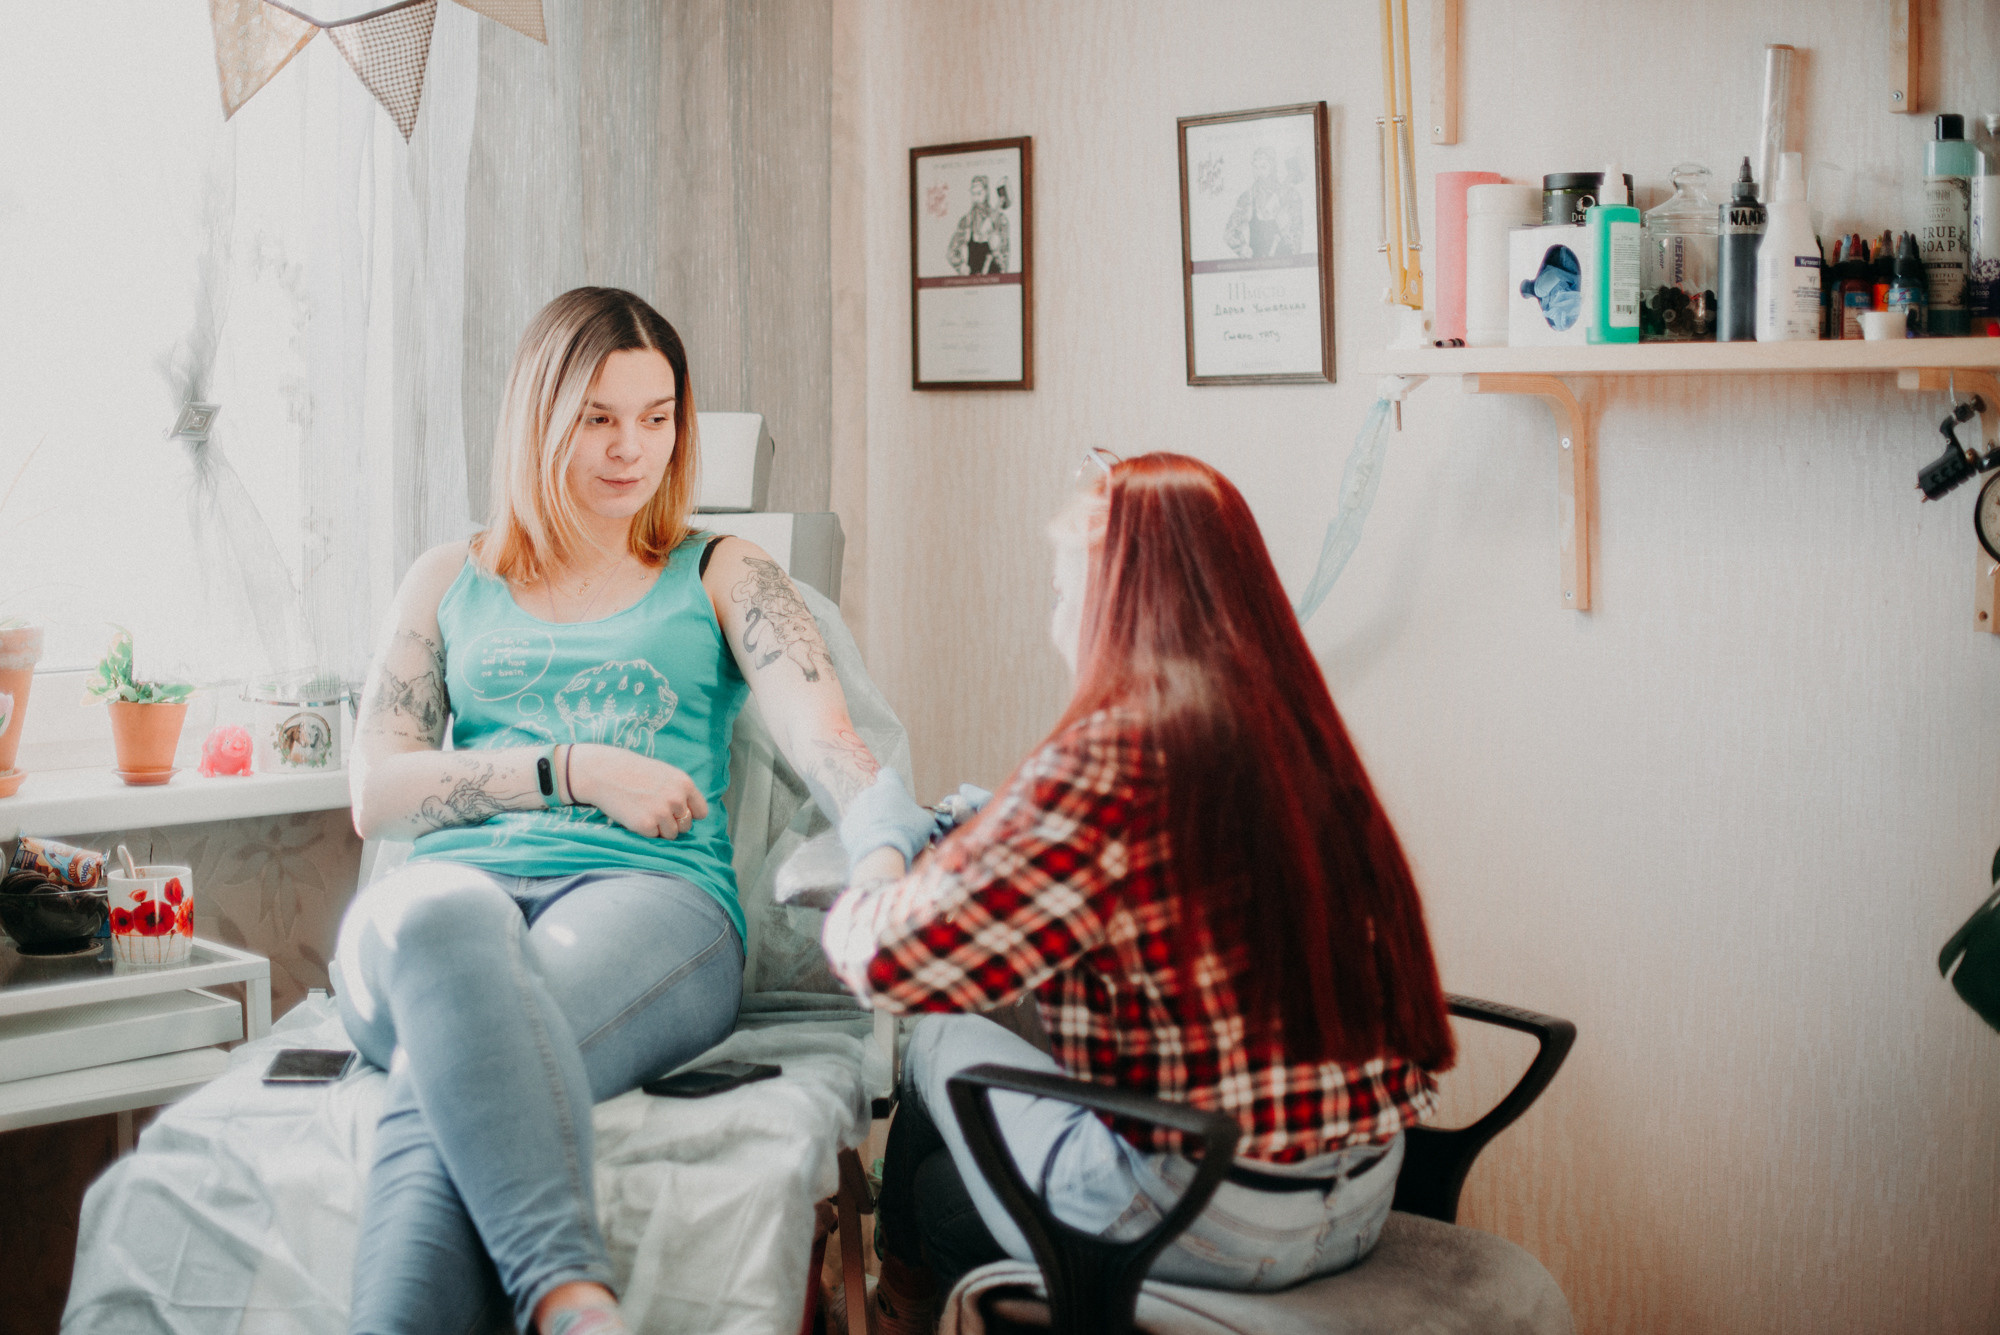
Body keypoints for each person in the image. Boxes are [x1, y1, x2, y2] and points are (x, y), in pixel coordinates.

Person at [336, 287, 928, 1335]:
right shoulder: (445, 578)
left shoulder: (724, 571)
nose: (632, 449)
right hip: (451, 900)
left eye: (657, 418)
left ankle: (566, 1303)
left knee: (460, 1068)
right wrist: (572, 769)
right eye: (599, 418)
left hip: (648, 899)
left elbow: (825, 737)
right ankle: (571, 1300)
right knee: (437, 928)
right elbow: (376, 792)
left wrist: (884, 848)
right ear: (539, 419)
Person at [823, 451, 1457, 1331]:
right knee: (940, 1189)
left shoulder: (1111, 757)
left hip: (1213, 1218)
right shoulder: (1293, 734)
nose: (1055, 624)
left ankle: (898, 1295)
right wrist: (1002, 819)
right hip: (1357, 1200)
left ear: (1115, 603)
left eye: (1061, 596)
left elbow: (889, 962)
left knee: (937, 1034)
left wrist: (878, 839)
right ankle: (911, 1283)